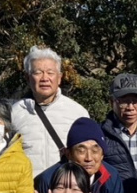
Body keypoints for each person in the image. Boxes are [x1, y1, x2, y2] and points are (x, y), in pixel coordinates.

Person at [33, 117, 124, 193]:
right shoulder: (48, 179)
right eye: (81, 151)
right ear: (68, 154)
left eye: (95, 151)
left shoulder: (111, 177)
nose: (89, 158)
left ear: (102, 155)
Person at [10, 46, 90, 174]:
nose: (44, 78)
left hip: (66, 189)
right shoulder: (14, 113)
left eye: (50, 73)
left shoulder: (78, 113)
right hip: (27, 190)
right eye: (37, 72)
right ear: (27, 77)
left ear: (59, 78)